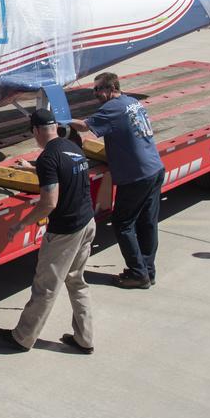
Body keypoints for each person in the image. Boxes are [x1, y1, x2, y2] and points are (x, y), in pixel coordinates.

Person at [0, 108, 96, 354]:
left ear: (36, 130)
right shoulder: (72, 147)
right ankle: (85, 337)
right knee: (77, 282)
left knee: (46, 287)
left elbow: (48, 202)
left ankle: (22, 337)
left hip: (66, 231)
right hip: (87, 222)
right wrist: (31, 167)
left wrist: (20, 224)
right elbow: (62, 171)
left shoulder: (50, 157)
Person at [71, 71, 165, 289]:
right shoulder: (132, 102)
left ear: (111, 88)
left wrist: (62, 120)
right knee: (147, 223)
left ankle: (137, 273)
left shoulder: (111, 108)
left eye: (98, 89)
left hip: (136, 175)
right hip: (154, 168)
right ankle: (147, 271)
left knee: (123, 223)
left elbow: (85, 127)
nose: (95, 94)